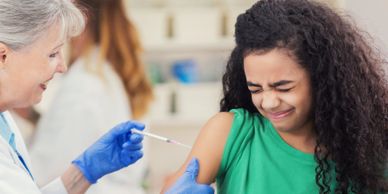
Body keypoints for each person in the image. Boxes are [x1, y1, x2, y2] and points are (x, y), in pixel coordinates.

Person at [162, 0, 388, 193]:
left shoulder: (370, 150)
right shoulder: (231, 133)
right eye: (256, 89)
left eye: (283, 88)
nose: (269, 102)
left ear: (321, 78)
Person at [0, 0, 145, 193]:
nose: (62, 67)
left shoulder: (6, 120)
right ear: (3, 56)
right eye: (52, 54)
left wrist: (83, 173)